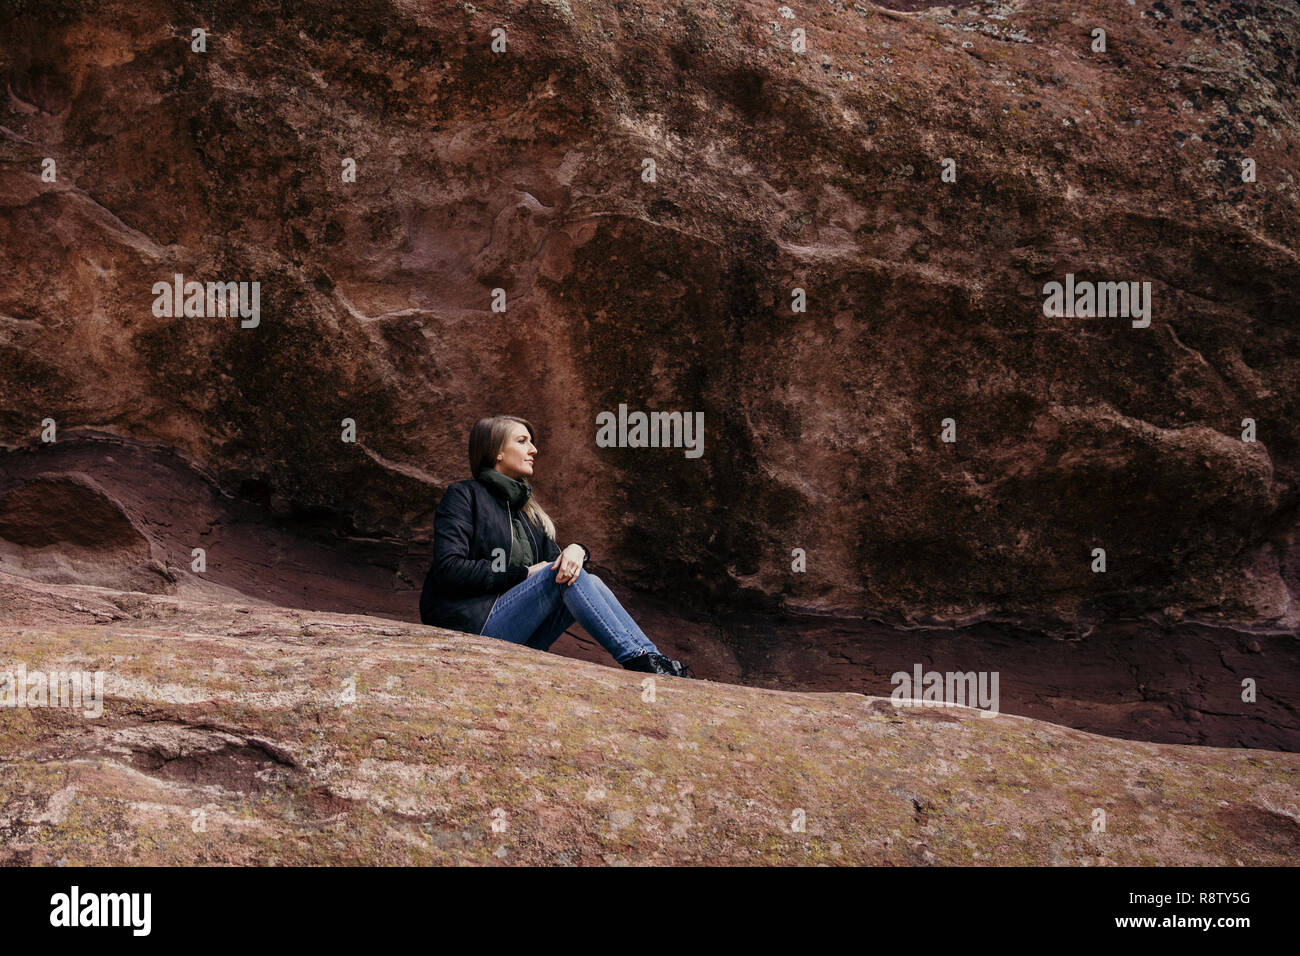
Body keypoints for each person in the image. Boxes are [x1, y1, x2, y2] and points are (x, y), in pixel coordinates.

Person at [419, 415, 695, 678]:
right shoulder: (464, 495)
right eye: (522, 441)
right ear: (497, 452)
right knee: (561, 577)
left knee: (580, 577)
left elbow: (564, 569)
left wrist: (578, 549)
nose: (534, 449)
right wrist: (524, 573)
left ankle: (652, 660)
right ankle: (644, 662)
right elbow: (449, 568)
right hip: (471, 628)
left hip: (518, 635)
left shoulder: (527, 513)